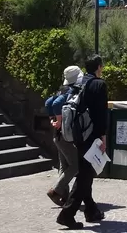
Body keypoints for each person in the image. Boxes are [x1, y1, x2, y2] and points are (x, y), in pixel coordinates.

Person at [57, 54, 109, 229]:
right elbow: (101, 113)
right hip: (91, 134)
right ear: (99, 67)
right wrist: (103, 136)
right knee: (85, 175)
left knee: (85, 172)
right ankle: (67, 214)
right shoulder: (99, 84)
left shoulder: (80, 83)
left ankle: (91, 211)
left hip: (77, 133)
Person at [45, 66, 83, 207]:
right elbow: (55, 104)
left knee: (64, 165)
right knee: (76, 166)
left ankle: (64, 196)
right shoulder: (72, 91)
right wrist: (60, 121)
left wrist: (53, 119)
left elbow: (49, 102)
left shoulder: (62, 89)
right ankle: (56, 191)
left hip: (57, 135)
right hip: (66, 135)